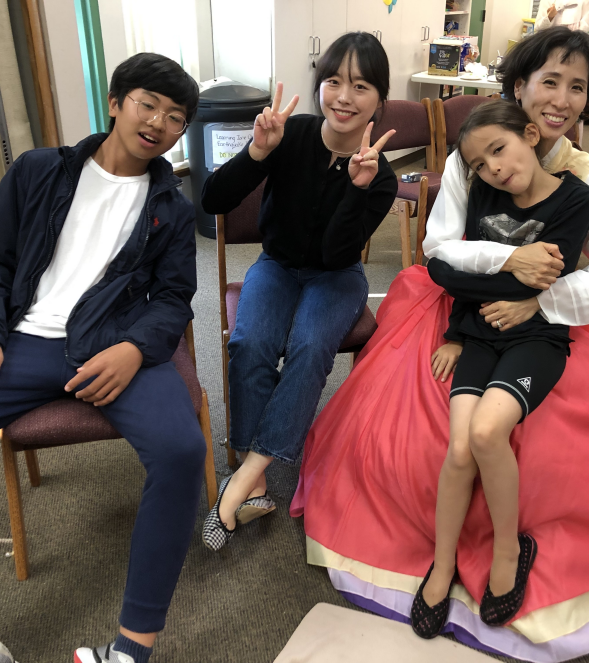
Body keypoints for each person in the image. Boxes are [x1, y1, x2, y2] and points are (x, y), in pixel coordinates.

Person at [291, 26, 589, 659]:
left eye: (577, 87)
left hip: (549, 318)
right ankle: (437, 552)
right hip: (462, 311)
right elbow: (439, 249)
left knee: (538, 443)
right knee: (412, 425)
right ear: (520, 87)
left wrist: (540, 300)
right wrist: (510, 261)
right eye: (549, 81)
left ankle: (508, 545)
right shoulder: (471, 154)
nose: (561, 100)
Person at [0, 53, 202, 663]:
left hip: (114, 347)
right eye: (147, 104)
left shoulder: (171, 208)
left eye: (175, 117)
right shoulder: (39, 170)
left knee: (182, 451)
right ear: (115, 103)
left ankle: (131, 651)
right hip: (22, 344)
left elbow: (174, 299)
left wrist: (134, 349)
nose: (158, 123)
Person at [200, 32, 397, 551]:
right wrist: (256, 152)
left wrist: (356, 189)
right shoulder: (291, 135)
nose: (344, 97)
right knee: (250, 343)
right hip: (278, 265)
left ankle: (246, 475)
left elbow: (336, 253)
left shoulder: (380, 174)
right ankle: (255, 477)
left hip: (338, 275)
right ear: (319, 86)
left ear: (380, 98)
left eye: (360, 86)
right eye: (333, 81)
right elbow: (213, 199)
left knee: (310, 348)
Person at [411, 101, 589, 638]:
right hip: (478, 331)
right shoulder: (483, 193)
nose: (493, 168)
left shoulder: (576, 198)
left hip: (537, 335)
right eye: (480, 163)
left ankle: (510, 549)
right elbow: (445, 270)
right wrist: (459, 324)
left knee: (487, 431)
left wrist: (493, 281)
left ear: (531, 135)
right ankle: (443, 563)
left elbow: (543, 279)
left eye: (499, 149)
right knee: (459, 449)